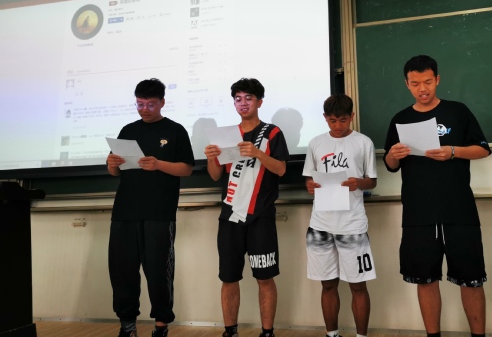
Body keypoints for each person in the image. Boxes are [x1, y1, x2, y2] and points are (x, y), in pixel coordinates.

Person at [383, 55, 491, 337]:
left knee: (471, 280)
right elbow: (390, 165)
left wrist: (453, 151)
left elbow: (483, 149)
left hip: (459, 210)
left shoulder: (458, 111)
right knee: (425, 279)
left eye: (428, 82)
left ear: (437, 80)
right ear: (407, 84)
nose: (423, 88)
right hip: (418, 213)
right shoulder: (400, 120)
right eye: (416, 83)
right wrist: (393, 154)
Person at [106, 78, 195, 337]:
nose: (144, 109)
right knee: (122, 271)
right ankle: (127, 326)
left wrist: (158, 164)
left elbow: (187, 168)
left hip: (159, 212)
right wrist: (111, 163)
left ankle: (161, 326)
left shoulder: (175, 131)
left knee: (158, 271)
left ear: (162, 103)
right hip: (125, 212)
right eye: (140, 104)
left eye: (151, 104)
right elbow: (115, 171)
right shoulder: (128, 129)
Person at [204, 78, 289, 337]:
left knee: (265, 277)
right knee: (229, 277)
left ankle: (267, 332)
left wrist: (258, 153)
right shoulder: (226, 135)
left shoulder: (272, 133)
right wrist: (211, 159)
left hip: (260, 215)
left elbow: (281, 169)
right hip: (230, 214)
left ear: (259, 102)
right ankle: (230, 331)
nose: (243, 103)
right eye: (238, 99)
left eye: (248, 98)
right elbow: (216, 176)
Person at [303, 94, 377, 337]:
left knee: (358, 285)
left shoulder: (363, 142)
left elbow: (372, 181)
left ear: (351, 117)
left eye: (343, 120)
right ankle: (332, 334)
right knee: (327, 284)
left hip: (352, 225)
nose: (338, 125)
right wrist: (310, 185)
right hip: (320, 224)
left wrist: (359, 183)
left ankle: (361, 335)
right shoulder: (315, 143)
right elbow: (309, 178)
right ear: (325, 118)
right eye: (332, 120)